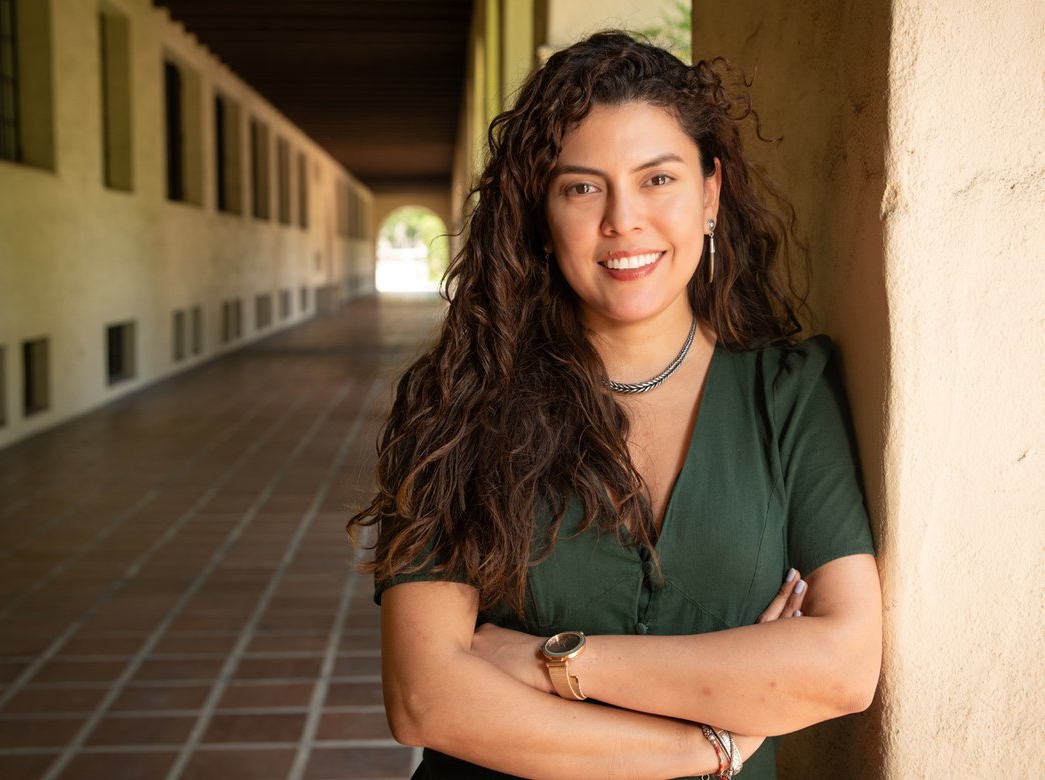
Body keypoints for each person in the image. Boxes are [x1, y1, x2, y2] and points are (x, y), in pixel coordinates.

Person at [349, 30, 882, 779]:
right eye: (581, 187)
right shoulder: (460, 403)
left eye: (657, 179)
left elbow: (844, 667)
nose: (621, 220)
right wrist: (706, 746)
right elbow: (425, 698)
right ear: (541, 215)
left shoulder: (788, 393)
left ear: (711, 193)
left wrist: (551, 661)